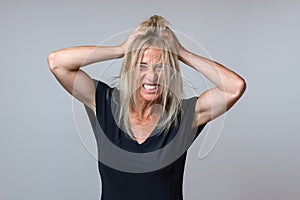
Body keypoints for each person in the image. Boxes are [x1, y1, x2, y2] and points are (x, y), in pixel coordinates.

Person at [47, 15, 246, 200]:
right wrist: (121, 49)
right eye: (142, 65)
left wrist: (181, 53)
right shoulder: (104, 103)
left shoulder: (184, 116)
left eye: (160, 67)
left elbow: (234, 87)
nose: (151, 76)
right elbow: (57, 63)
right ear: (129, 69)